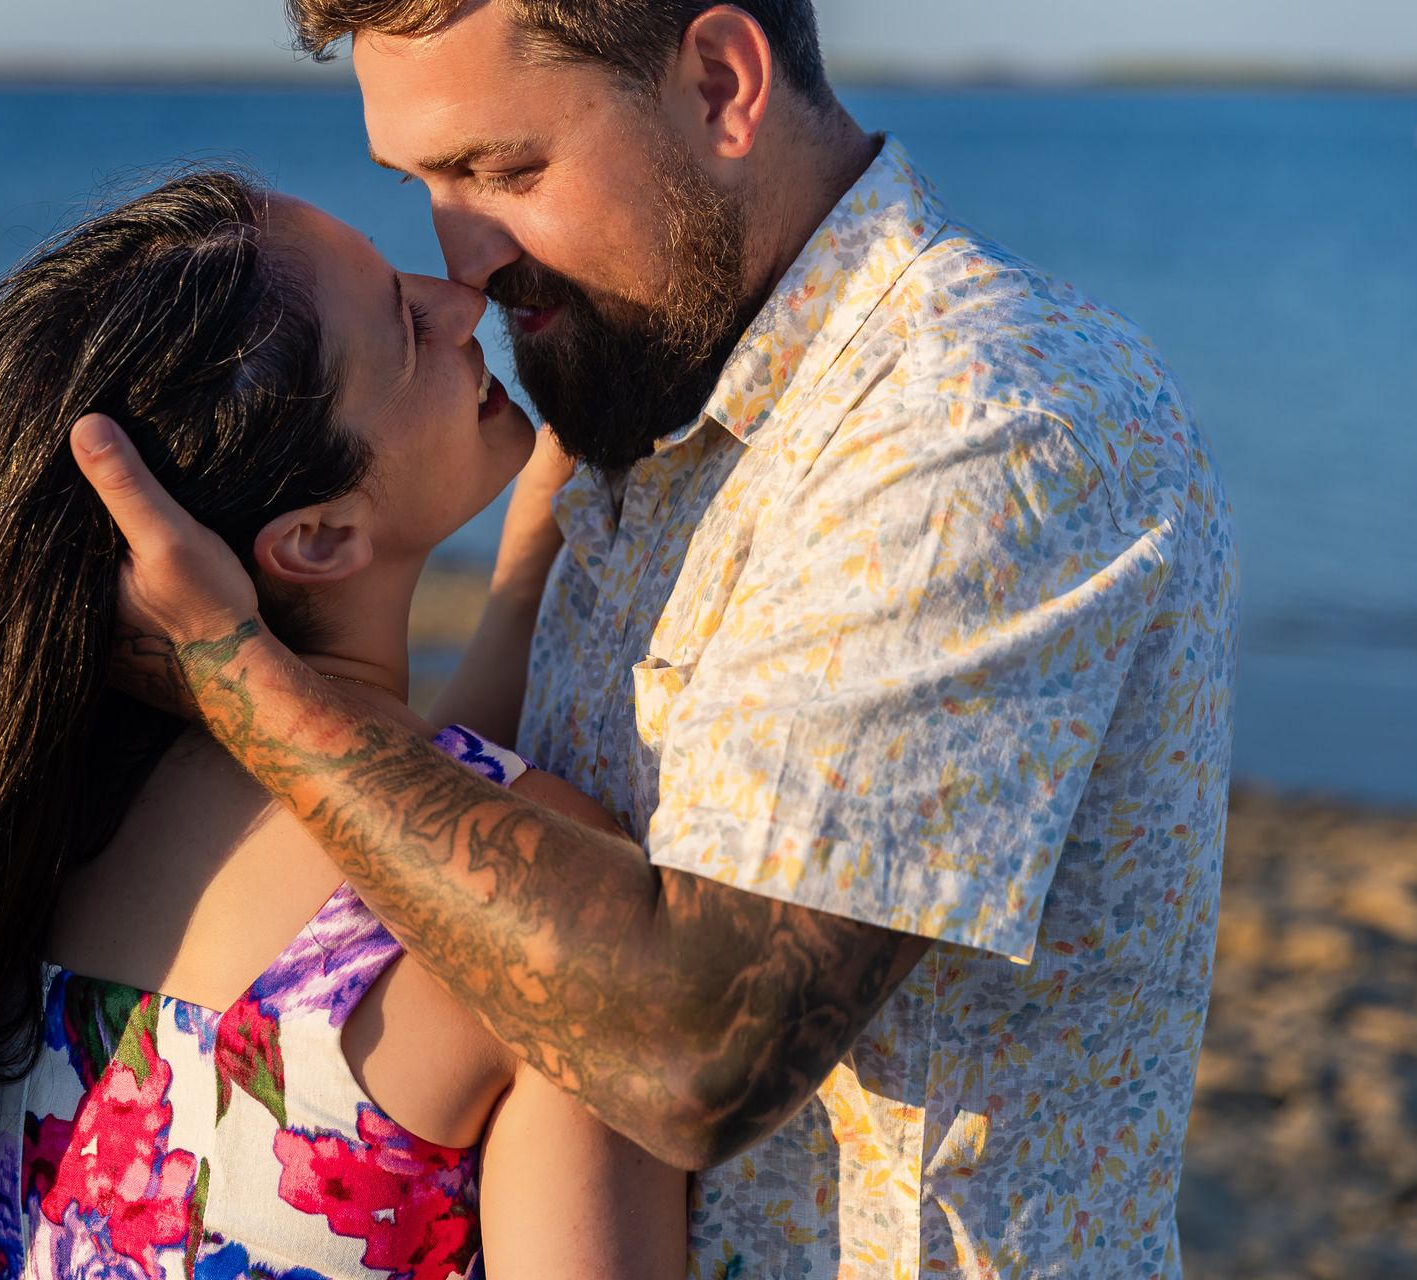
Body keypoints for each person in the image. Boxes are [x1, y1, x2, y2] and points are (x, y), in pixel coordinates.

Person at [68, 1, 1240, 1276]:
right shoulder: (648, 388)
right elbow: (474, 844)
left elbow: (689, 1051)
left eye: (504, 169)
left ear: (725, 83)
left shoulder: (976, 422)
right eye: (424, 183)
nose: (462, 263)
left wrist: (251, 685)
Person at [0, 174, 687, 1280]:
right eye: (402, 320)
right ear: (322, 536)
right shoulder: (534, 911)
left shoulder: (17, 853)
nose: (458, 300)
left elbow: (387, 803)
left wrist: (540, 538)